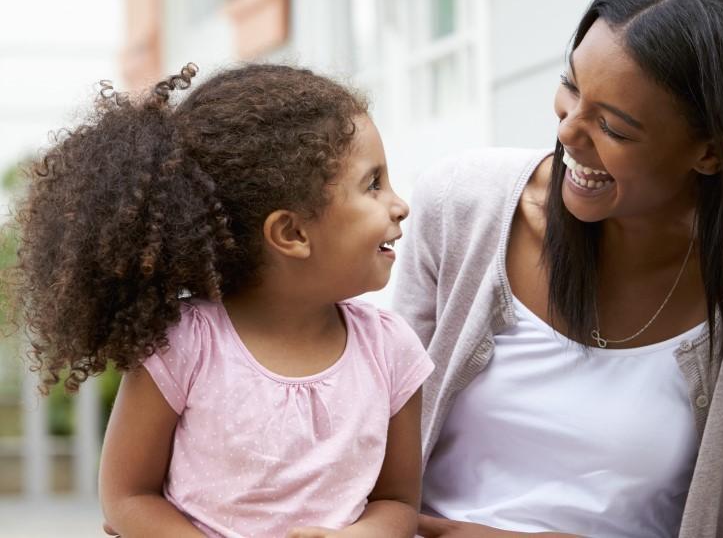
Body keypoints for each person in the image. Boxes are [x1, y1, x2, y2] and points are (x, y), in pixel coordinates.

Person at [395, 0, 723, 537]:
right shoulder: (461, 206)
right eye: (572, 86)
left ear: (712, 153)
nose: (568, 133)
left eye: (614, 128)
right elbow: (364, 439)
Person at [9, 63, 433, 537]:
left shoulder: (391, 351)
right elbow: (128, 495)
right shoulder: (187, 346)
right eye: (373, 184)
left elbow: (396, 500)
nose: (399, 204)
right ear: (292, 233)